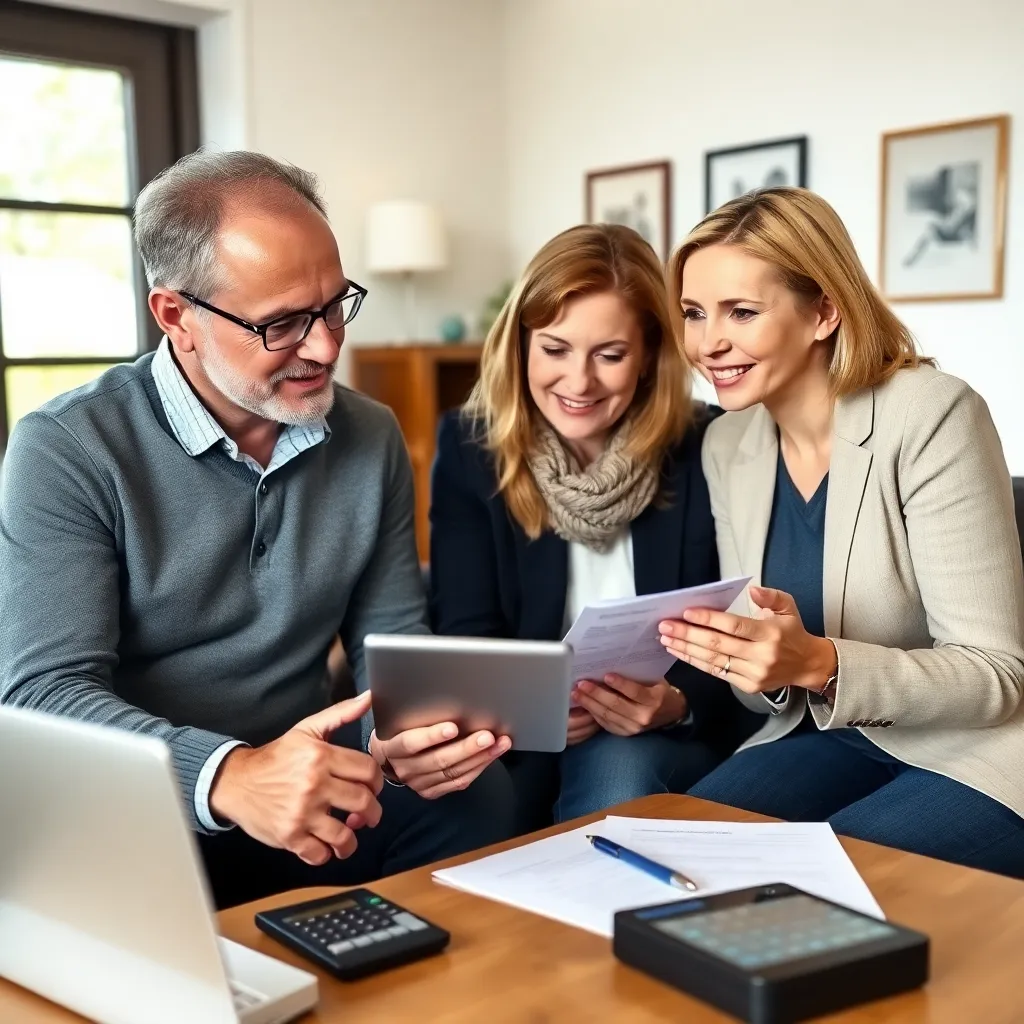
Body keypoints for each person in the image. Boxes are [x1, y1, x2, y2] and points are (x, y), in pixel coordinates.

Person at [0, 150, 514, 909]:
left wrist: (406, 739)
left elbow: (388, 642)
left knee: (481, 797)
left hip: (313, 776)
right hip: (149, 803)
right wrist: (230, 776)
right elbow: (42, 693)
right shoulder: (69, 447)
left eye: (336, 304)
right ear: (177, 317)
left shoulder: (370, 436)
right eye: (282, 324)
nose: (328, 347)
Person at [657, 186, 1024, 877]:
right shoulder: (728, 444)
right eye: (693, 313)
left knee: (815, 883)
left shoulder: (933, 414)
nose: (708, 343)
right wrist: (755, 661)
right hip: (822, 737)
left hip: (971, 748)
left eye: (741, 311)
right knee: (675, 852)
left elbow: (996, 674)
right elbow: (762, 692)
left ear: (823, 310)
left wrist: (818, 662)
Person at [429, 223, 756, 830]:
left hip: (659, 735)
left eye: (610, 355)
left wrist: (675, 706)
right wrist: (532, 712)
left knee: (618, 772)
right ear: (521, 343)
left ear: (649, 358)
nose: (578, 383)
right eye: (554, 350)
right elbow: (466, 633)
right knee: (469, 803)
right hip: (516, 738)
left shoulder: (704, 444)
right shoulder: (472, 448)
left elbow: (738, 628)